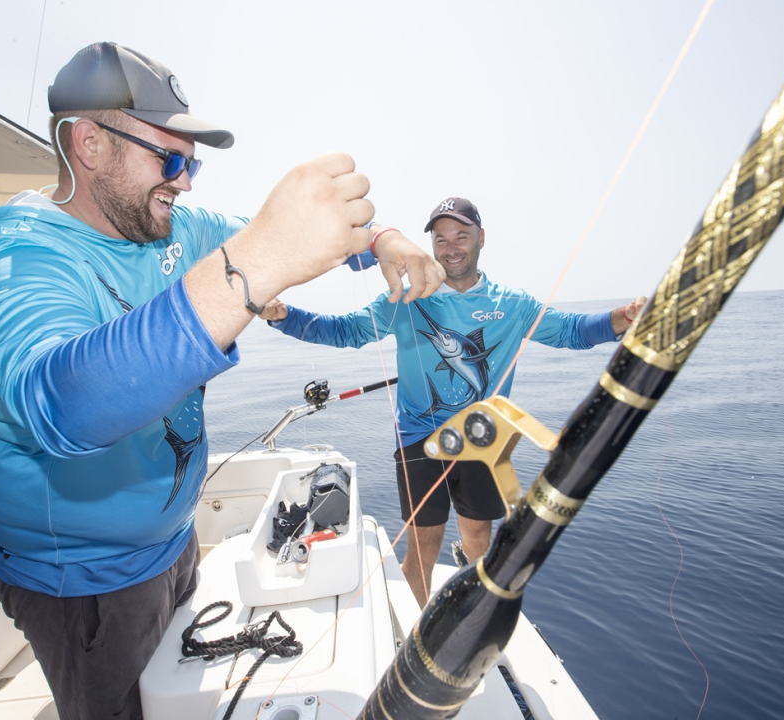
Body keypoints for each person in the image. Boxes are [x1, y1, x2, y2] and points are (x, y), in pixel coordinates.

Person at [0, 42, 444, 720]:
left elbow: (306, 237)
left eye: (192, 162)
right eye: (169, 159)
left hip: (174, 550)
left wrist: (384, 240)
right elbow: (60, 407)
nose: (186, 181)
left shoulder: (172, 228)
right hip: (82, 586)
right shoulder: (8, 254)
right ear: (88, 145)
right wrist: (250, 265)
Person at [262, 196, 645, 605]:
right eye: (441, 239)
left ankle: (475, 613)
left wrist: (622, 318)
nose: (451, 247)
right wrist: (285, 317)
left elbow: (572, 331)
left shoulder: (511, 304)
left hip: (481, 438)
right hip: (418, 436)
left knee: (479, 538)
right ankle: (418, 635)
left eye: (461, 236)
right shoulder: (406, 299)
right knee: (423, 547)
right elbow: (343, 331)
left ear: (482, 239)